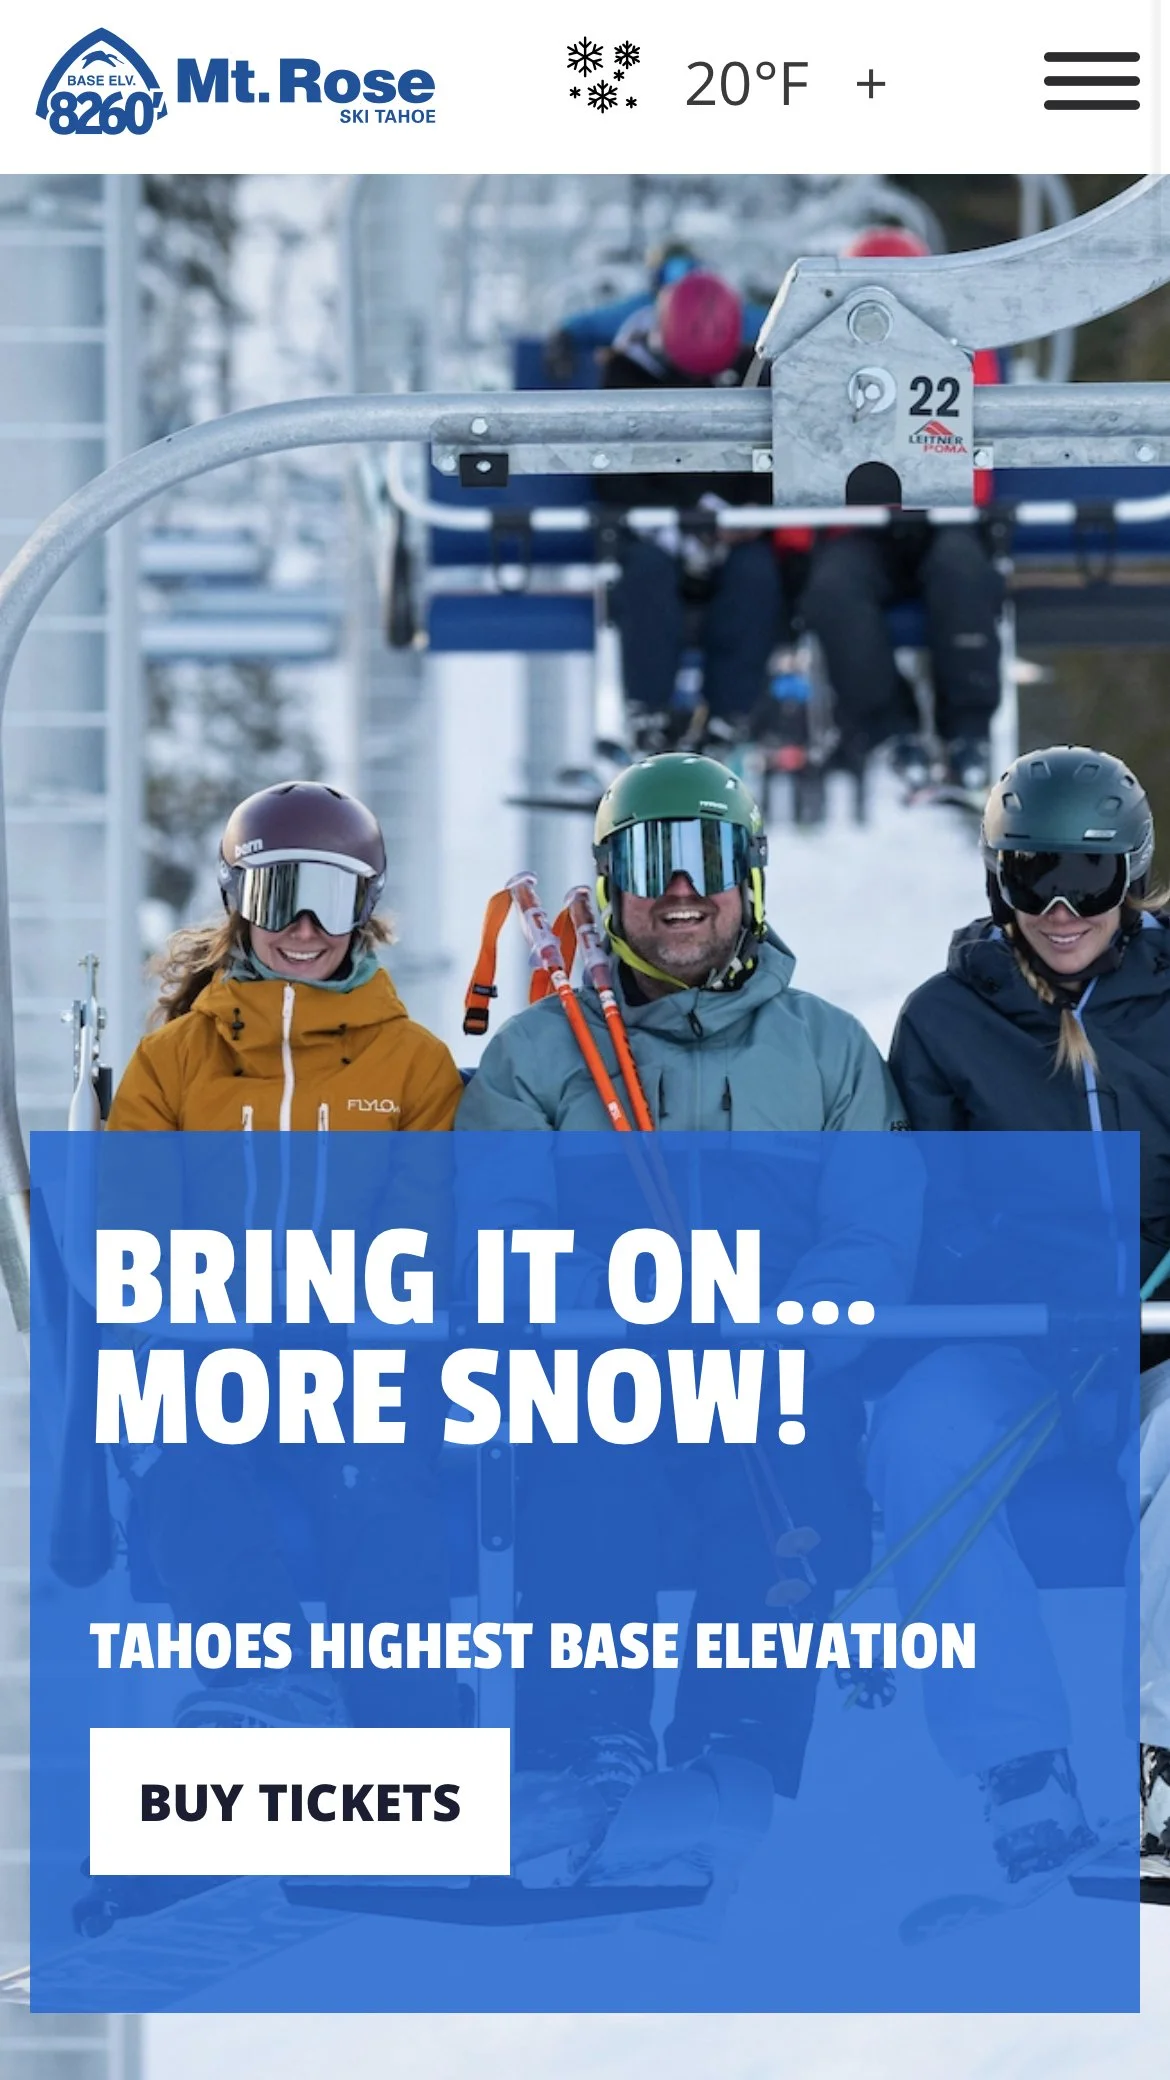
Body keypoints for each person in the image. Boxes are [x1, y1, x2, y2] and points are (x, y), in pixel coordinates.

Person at [457, 753, 914, 1834]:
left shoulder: (827, 1049)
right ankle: (580, 1746)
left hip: (774, 1365)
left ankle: (733, 1751)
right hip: (605, 1359)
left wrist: (795, 1335)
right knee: (584, 1474)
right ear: (611, 886)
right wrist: (611, 1319)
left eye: (704, 859)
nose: (678, 890)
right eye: (649, 862)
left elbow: (872, 1227)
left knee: (791, 1483)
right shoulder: (541, 1054)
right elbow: (500, 1220)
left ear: (747, 877)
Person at [105, 781, 463, 1733]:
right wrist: (192, 1313)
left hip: (355, 1356)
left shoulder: (413, 1065)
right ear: (237, 904)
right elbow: (135, 1220)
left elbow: (420, 1225)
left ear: (367, 910)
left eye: (334, 898)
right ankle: (267, 1687)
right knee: (186, 1468)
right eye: (279, 897)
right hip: (219, 1351)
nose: (305, 927)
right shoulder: (175, 1061)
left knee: (378, 1482)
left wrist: (359, 1318)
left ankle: (409, 1723)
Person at [885, 744, 1170, 1885]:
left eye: (1088, 879)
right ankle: (1019, 1764)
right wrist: (1004, 1289)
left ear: (1132, 880)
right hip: (1022, 1342)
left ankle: (1162, 1757)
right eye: (1032, 874)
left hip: (1158, 1341)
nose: (1060, 908)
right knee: (917, 1434)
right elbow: (917, 1206)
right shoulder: (948, 1020)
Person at [797, 226, 1004, 798]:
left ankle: (968, 728)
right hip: (861, 521)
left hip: (943, 515)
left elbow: (973, 452)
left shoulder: (959, 343)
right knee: (835, 590)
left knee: (962, 572)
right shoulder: (821, 355)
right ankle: (889, 727)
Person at [594, 272, 790, 749]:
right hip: (654, 526)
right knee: (645, 575)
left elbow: (774, 459)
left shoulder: (755, 375)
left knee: (757, 576)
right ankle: (648, 713)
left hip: (732, 527)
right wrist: (684, 517)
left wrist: (744, 514)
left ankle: (729, 714)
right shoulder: (625, 375)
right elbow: (613, 469)